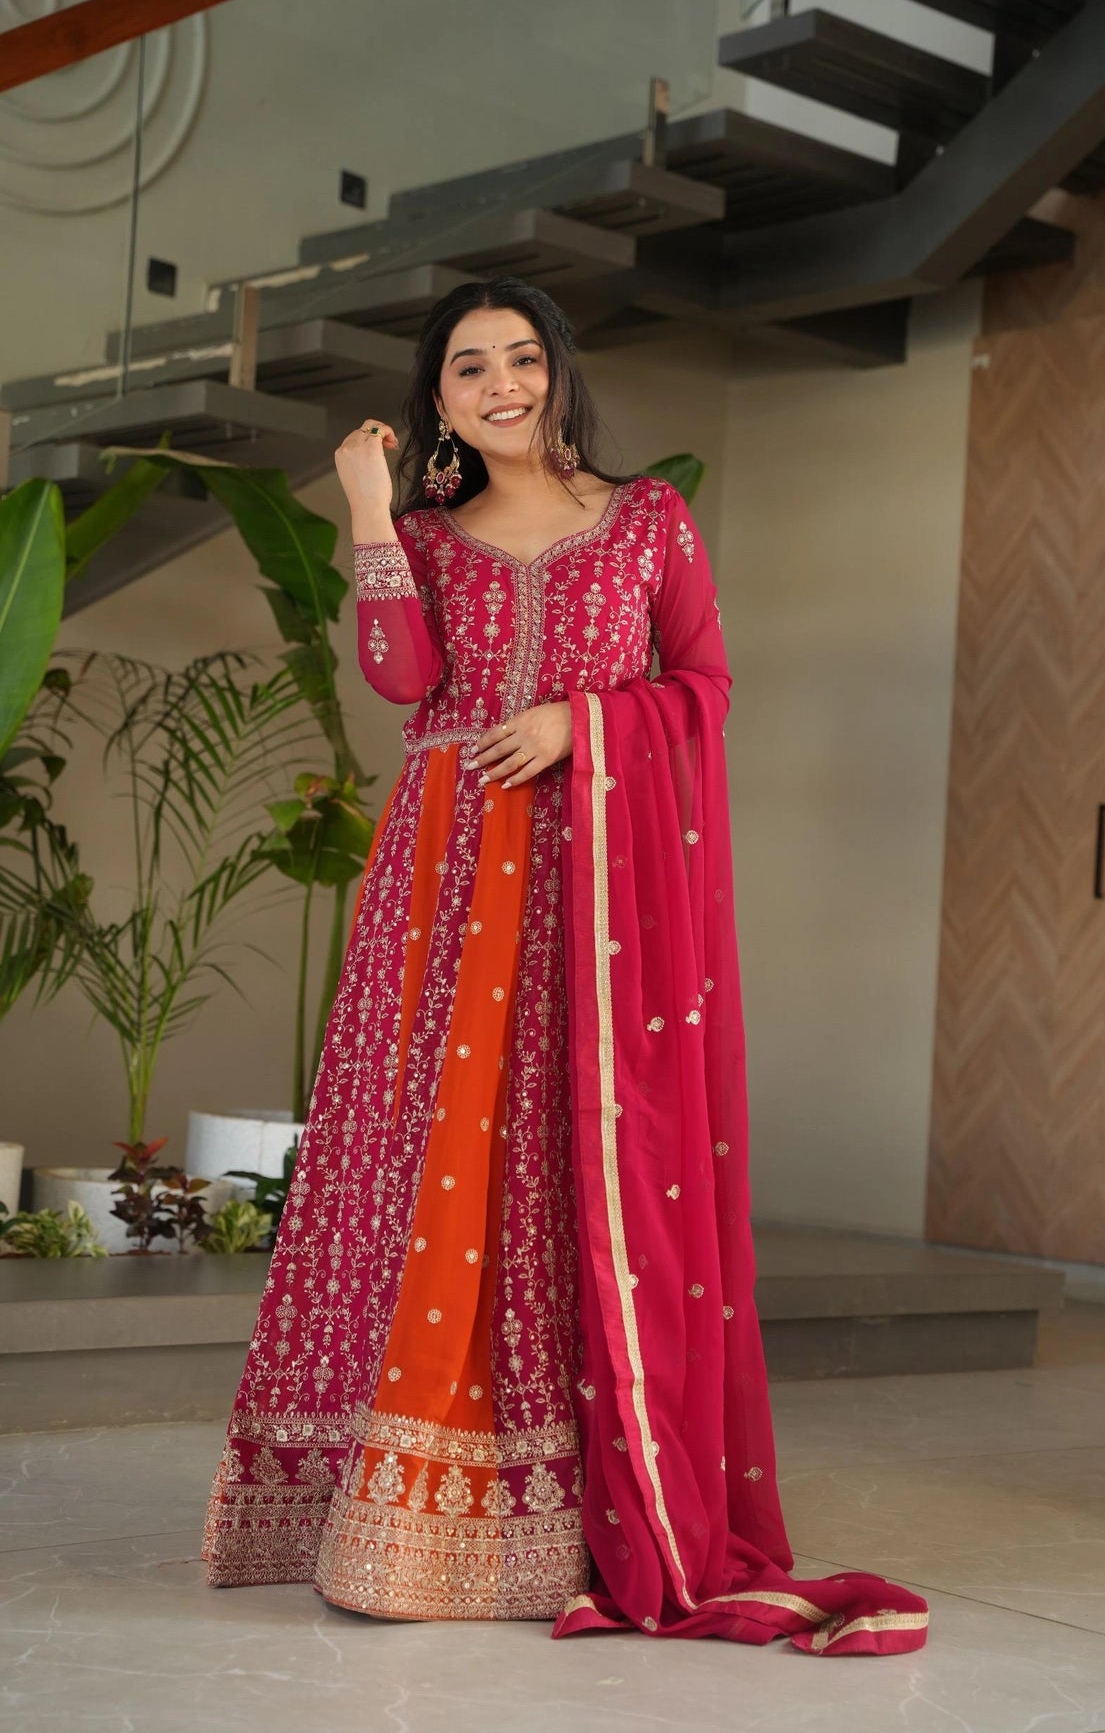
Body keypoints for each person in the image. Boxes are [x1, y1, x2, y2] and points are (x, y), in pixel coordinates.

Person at [200, 275, 928, 1654]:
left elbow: (704, 685)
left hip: (602, 898)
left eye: (523, 359)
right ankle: (410, 1517)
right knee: (443, 1165)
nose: (503, 385)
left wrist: (579, 722)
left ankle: (567, 1513)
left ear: (558, 372)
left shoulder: (647, 518)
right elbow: (404, 679)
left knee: (564, 1158)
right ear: (440, 400)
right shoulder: (426, 532)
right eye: (471, 367)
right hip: (445, 882)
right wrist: (366, 515)